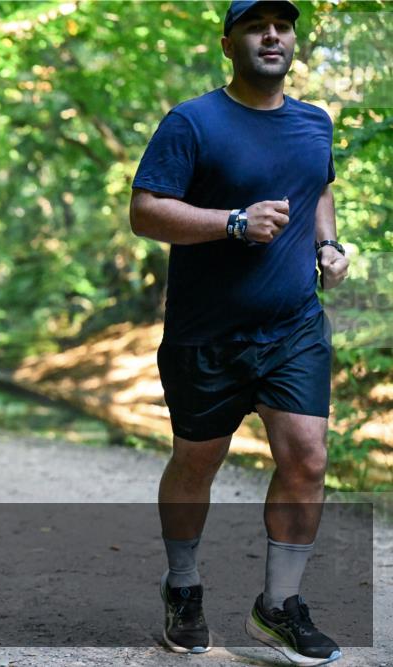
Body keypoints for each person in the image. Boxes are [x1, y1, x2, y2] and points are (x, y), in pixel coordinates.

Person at [129, 1, 349, 664]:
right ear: (230, 43)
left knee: (307, 458)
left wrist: (330, 244)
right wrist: (232, 222)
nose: (273, 35)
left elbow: (320, 190)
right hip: (208, 334)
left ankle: (278, 606)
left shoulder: (315, 123)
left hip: (292, 326)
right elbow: (145, 211)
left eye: (283, 26)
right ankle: (185, 587)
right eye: (258, 26)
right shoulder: (192, 122)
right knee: (198, 460)